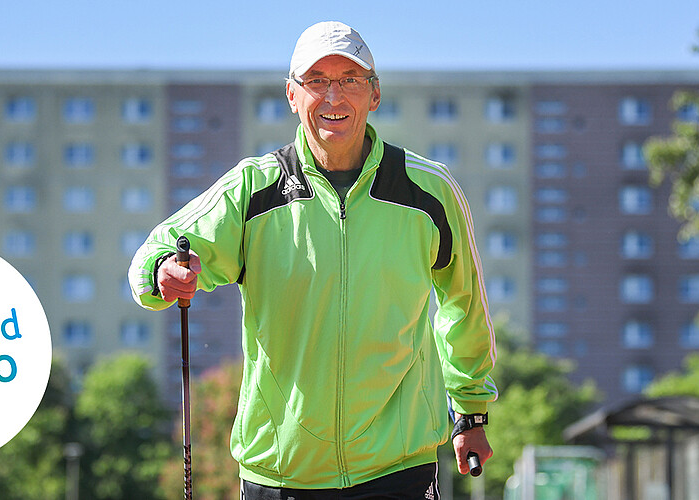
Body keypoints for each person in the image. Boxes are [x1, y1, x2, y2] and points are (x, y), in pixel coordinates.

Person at [129, 21, 498, 499]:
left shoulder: (430, 192)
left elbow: (464, 308)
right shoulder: (251, 191)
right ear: (292, 95)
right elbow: (161, 249)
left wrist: (469, 413)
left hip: (398, 466)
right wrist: (164, 274)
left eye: (349, 80)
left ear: (375, 94)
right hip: (280, 473)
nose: (333, 97)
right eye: (317, 81)